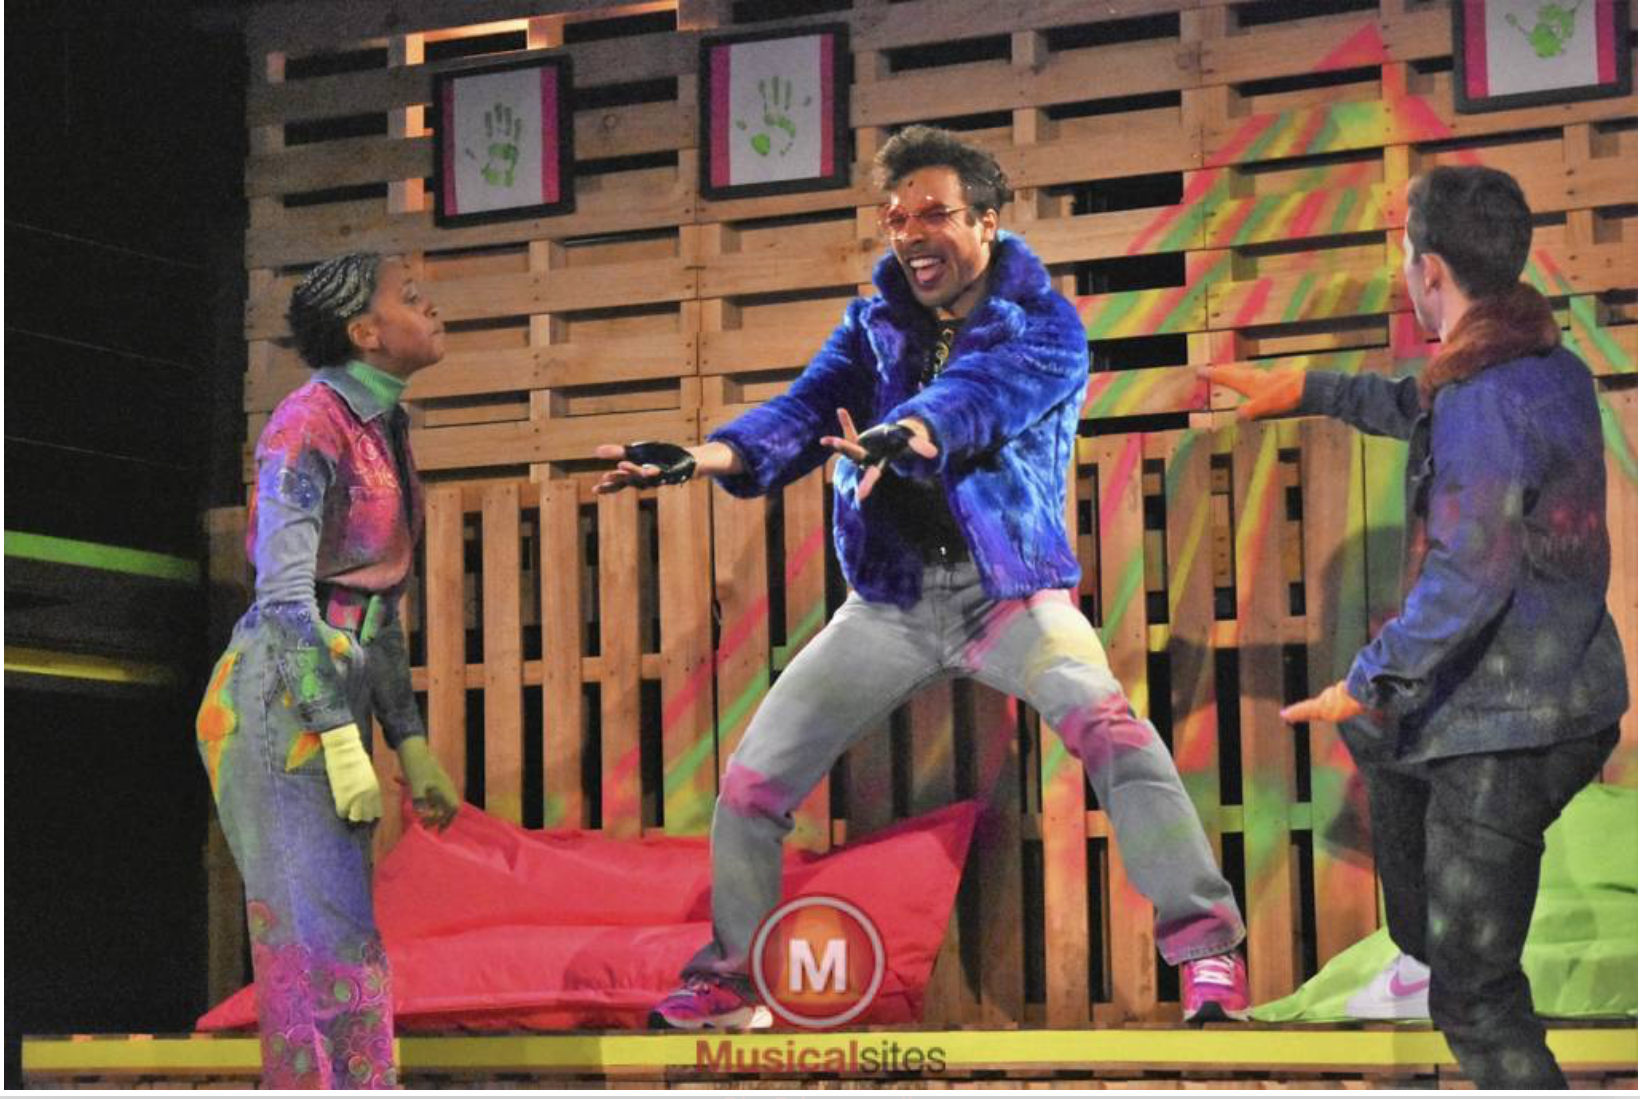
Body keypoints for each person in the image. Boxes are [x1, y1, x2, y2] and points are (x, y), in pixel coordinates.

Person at [597, 125, 1249, 1030]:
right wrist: (704, 457)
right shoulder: (873, 326)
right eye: (896, 218)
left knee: (1114, 732)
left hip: (1007, 594)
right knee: (751, 784)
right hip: (893, 604)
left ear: (986, 221)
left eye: (934, 214)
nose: (911, 235)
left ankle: (1209, 950)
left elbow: (977, 399)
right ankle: (731, 980)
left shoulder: (1045, 326)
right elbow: (801, 411)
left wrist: (903, 433)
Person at [1206, 165, 1628, 1089]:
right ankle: (1441, 942)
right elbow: (1420, 404)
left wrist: (1366, 676)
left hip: (1511, 727)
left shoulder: (1486, 396)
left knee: (1473, 996)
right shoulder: (1542, 367)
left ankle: (1463, 970)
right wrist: (1308, 387)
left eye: (1405, 253)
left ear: (1428, 269)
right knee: (1384, 748)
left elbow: (1468, 573)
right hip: (1557, 697)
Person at [195, 252, 462, 1088]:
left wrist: (408, 741)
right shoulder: (306, 422)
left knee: (340, 940)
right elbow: (285, 597)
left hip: (332, 691)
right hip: (280, 695)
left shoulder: (385, 426)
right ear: (365, 332)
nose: (431, 307)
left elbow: (375, 605)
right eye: (409, 298)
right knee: (318, 946)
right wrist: (341, 740)